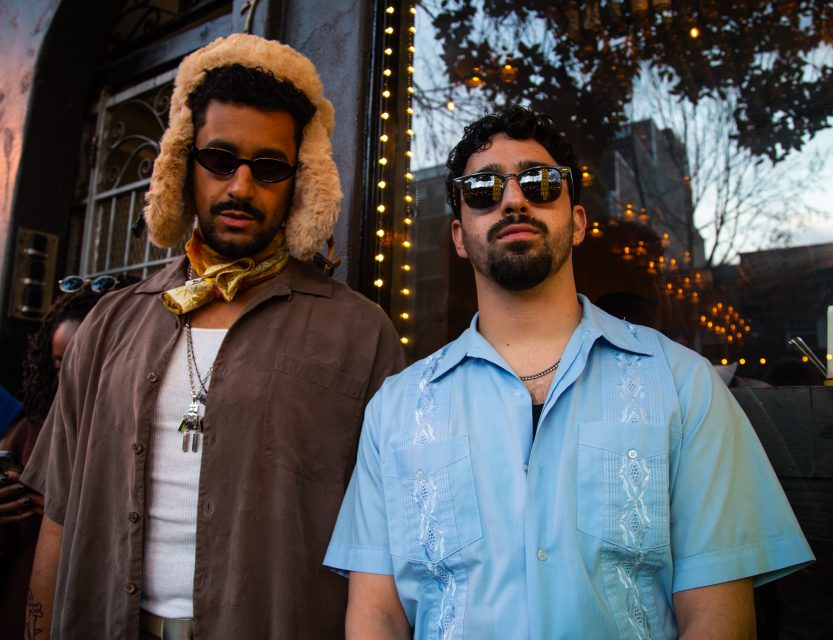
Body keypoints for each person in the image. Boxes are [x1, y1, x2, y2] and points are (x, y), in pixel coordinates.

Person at [324, 106, 814, 639]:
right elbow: (376, 616)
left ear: (576, 222)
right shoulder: (395, 409)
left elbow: (718, 620)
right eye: (484, 189)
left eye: (539, 183)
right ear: (460, 236)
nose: (513, 199)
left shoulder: (682, 386)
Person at [23, 34, 404, 639]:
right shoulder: (111, 324)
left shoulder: (359, 333)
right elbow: (59, 515)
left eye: (269, 167)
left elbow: (386, 541)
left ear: (299, 181)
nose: (241, 188)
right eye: (220, 160)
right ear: (184, 163)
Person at [0, 287, 104, 640]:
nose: (72, 378)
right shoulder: (28, 434)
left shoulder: (130, 441)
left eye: (85, 363)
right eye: (61, 365)